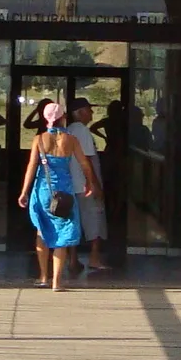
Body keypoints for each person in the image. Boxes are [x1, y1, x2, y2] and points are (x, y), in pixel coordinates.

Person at [18, 99, 98, 289]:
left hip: (43, 190)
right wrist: (89, 182)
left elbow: (31, 166)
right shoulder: (71, 140)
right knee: (63, 233)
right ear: (62, 117)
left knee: (41, 231)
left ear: (44, 117)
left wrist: (24, 191)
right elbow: (85, 164)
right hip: (65, 191)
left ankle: (43, 276)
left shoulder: (39, 139)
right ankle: (57, 281)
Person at [66, 98, 112, 272]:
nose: (92, 113)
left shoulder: (69, 130)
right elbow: (87, 160)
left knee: (74, 221)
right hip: (85, 185)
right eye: (88, 110)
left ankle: (73, 258)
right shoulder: (82, 131)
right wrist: (95, 184)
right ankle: (94, 257)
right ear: (80, 113)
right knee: (94, 219)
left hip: (73, 184)